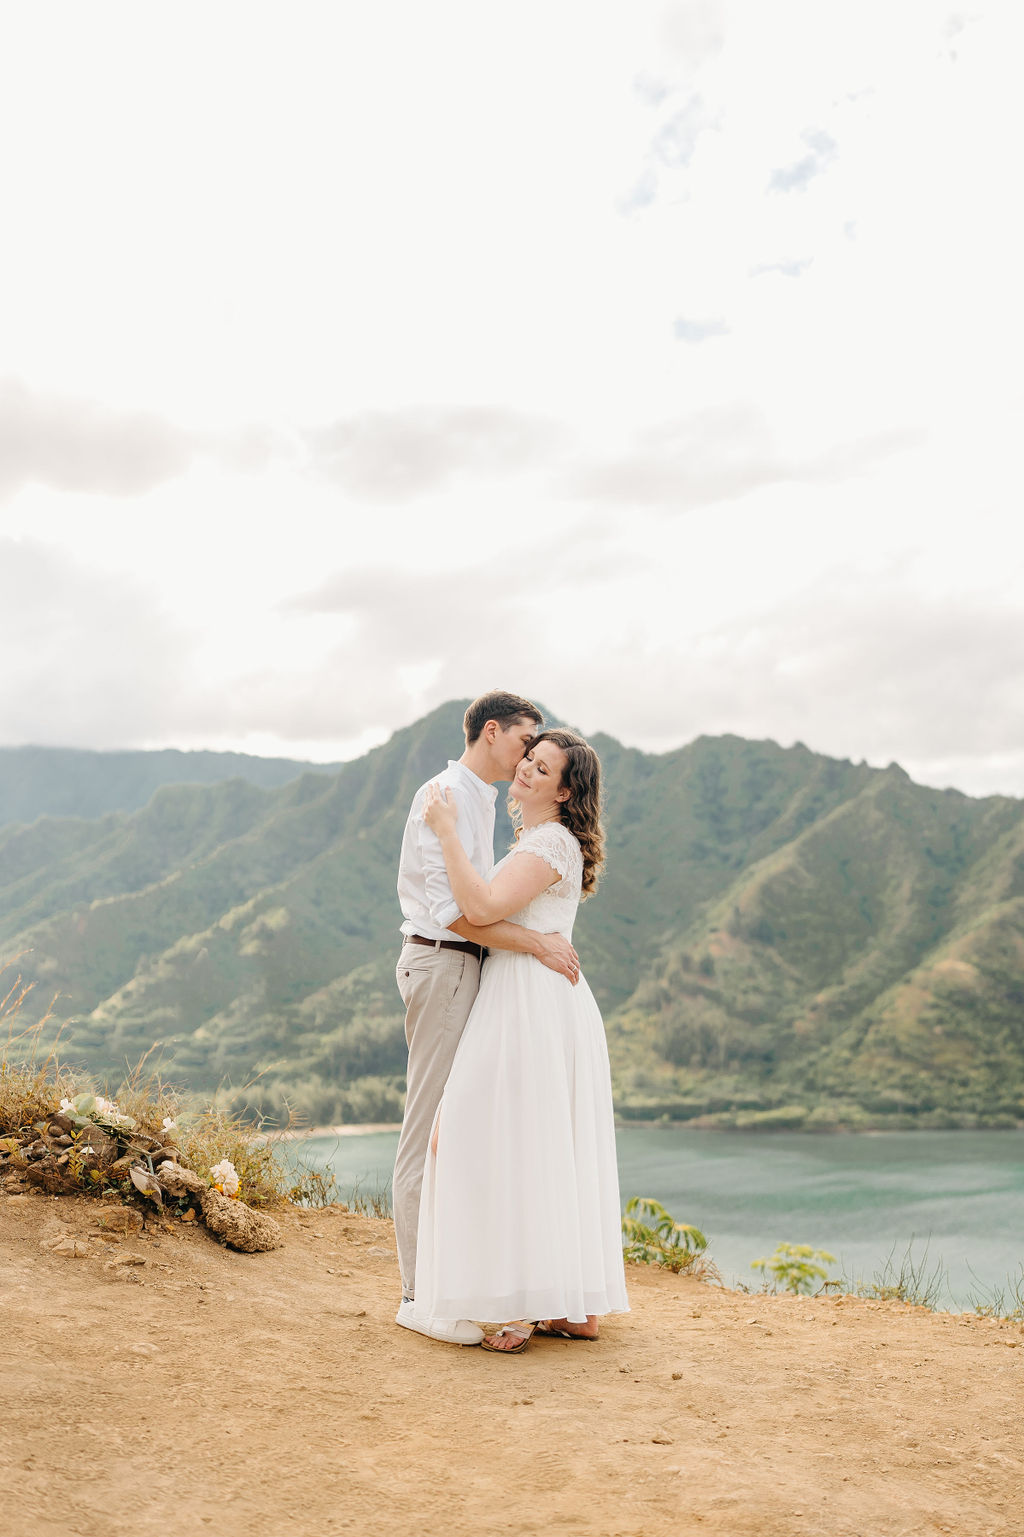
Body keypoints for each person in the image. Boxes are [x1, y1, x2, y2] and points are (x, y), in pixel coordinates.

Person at [411, 728, 629, 1352]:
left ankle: (524, 1306)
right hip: (532, 996)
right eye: (527, 760)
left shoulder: (552, 843)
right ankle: (570, 1304)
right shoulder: (541, 840)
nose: (527, 772)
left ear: (565, 793)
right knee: (536, 1140)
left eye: (543, 768)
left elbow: (478, 909)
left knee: (504, 1139)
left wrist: (446, 830)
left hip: (530, 1003)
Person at [393, 691, 582, 1346]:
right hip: (446, 963)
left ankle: (502, 1286)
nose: (527, 756)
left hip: (480, 975)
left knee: (486, 1133)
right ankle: (423, 1293)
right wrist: (537, 942)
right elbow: (459, 913)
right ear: (495, 731)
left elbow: (487, 904)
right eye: (526, 742)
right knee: (433, 1133)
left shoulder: (486, 809)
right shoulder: (448, 797)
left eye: (540, 757)